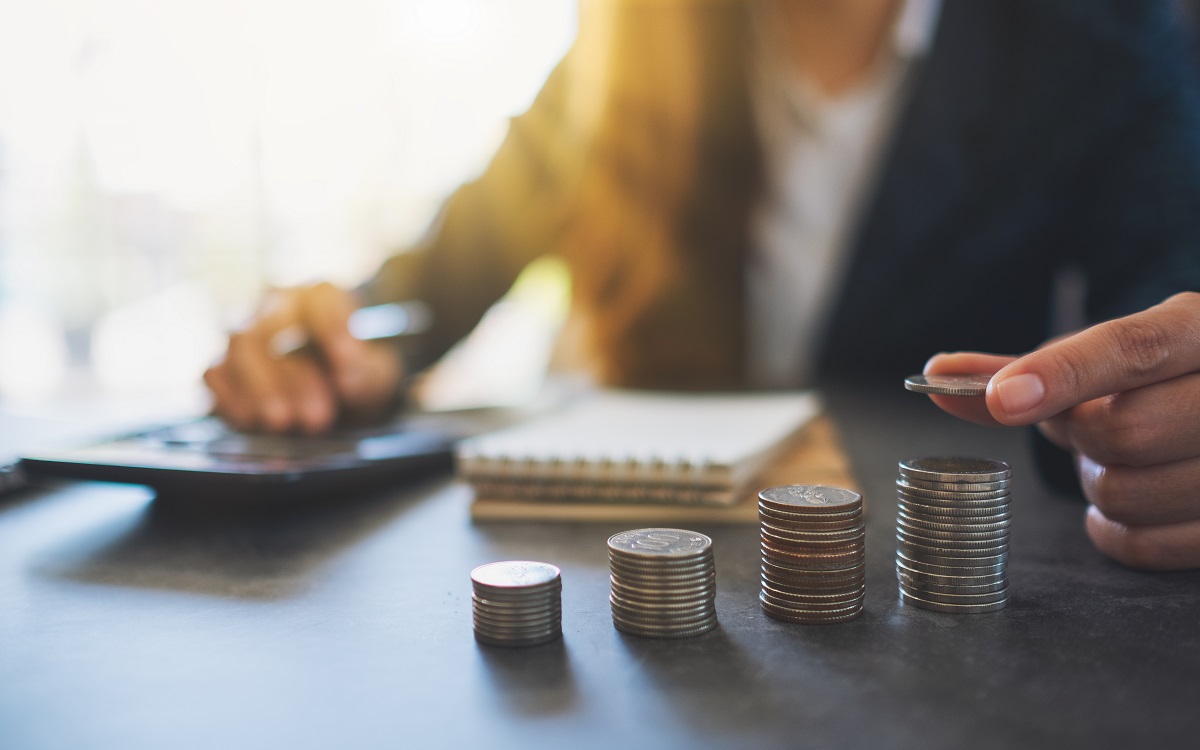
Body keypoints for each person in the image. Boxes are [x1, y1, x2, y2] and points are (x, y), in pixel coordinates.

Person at [205, 0, 1200, 569]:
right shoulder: (629, 37)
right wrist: (340, 341)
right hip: (635, 593)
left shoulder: (1110, 42)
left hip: (922, 595)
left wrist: (1171, 414)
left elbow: (1166, 317)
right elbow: (434, 288)